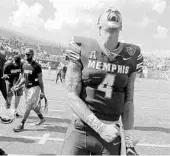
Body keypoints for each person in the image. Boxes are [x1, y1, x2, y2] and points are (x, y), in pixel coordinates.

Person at [61, 7, 143, 155]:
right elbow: (71, 95)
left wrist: (129, 142)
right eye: (108, 11)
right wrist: (100, 127)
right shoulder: (81, 46)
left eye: (118, 12)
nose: (114, 10)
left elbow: (129, 101)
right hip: (81, 129)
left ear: (122, 26)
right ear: (98, 24)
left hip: (111, 132)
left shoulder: (132, 54)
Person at [13, 48, 46, 132]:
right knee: (32, 105)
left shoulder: (37, 66)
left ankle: (21, 124)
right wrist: (18, 86)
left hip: (35, 87)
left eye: (28, 54)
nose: (26, 56)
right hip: (27, 88)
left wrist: (42, 92)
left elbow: (40, 80)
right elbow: (24, 78)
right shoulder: (23, 65)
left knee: (28, 106)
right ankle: (42, 118)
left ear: (32, 55)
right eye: (25, 54)